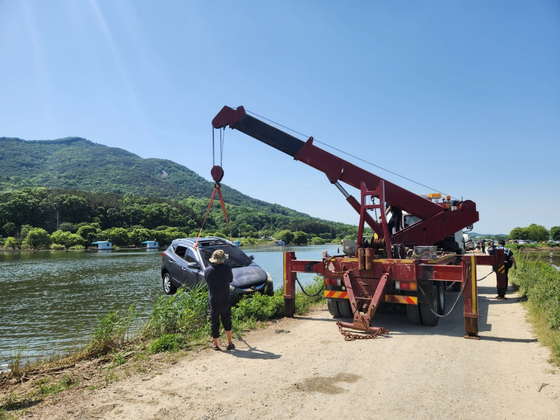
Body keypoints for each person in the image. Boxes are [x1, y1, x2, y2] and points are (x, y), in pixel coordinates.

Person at [204, 249, 235, 350]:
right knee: (227, 321)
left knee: (214, 322)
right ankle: (229, 343)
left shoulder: (207, 270)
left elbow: (207, 281)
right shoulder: (227, 268)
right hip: (225, 299)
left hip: (214, 300)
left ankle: (215, 344)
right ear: (223, 259)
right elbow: (230, 279)